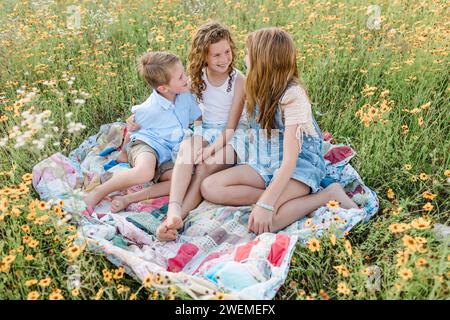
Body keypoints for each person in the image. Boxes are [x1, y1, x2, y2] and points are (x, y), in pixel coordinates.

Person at [200, 28, 359, 235]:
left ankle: (327, 195)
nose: (244, 58)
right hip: (266, 156)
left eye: (249, 53)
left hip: (298, 164)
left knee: (268, 222)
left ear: (263, 59)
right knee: (209, 186)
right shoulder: (254, 83)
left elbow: (290, 161)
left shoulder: (293, 95)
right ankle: (284, 199)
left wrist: (266, 205)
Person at [82, 51, 201, 214]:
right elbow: (131, 128)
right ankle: (99, 191)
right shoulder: (150, 108)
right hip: (147, 144)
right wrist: (124, 152)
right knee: (145, 172)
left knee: (183, 179)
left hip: (170, 151)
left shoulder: (185, 95)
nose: (185, 78)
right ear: (163, 88)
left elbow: (198, 118)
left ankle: (128, 199)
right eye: (180, 77)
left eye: (184, 73)